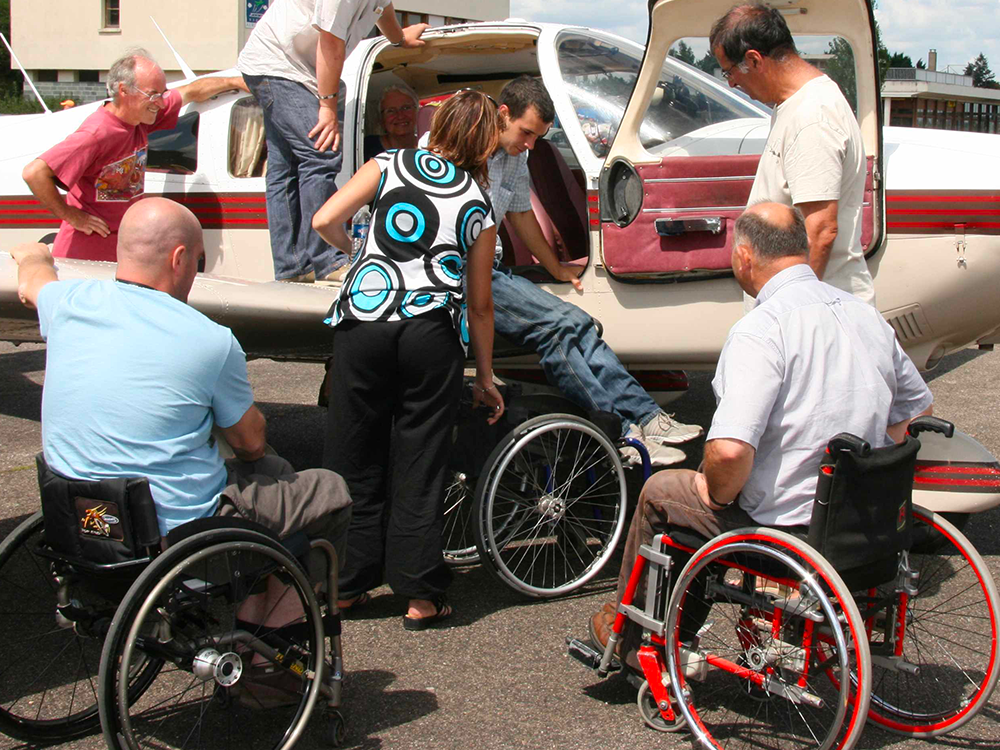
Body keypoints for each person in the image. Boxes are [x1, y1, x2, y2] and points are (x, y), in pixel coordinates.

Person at [589, 202, 932, 662]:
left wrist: (714, 492)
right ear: (802, 248)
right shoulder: (864, 315)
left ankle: (631, 639)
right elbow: (913, 408)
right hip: (860, 523)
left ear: (744, 257)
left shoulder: (761, 330)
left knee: (662, 491)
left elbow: (730, 453)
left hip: (786, 531)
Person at [11, 198, 352, 557]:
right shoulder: (211, 339)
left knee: (271, 469)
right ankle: (270, 608)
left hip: (81, 520)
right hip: (173, 534)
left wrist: (34, 254)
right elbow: (250, 443)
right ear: (179, 258)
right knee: (328, 489)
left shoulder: (68, 302)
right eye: (197, 259)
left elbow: (32, 282)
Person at [314, 90, 504, 630]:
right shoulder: (479, 203)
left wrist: (357, 257)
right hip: (430, 333)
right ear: (486, 143)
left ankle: (345, 585)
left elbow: (325, 219)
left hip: (364, 323)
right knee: (420, 461)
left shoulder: (387, 164)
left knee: (352, 451)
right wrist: (484, 375)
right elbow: (482, 303)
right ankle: (420, 593)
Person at [484, 76, 703, 464]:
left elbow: (519, 215)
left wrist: (556, 268)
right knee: (556, 329)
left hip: (494, 270)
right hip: (470, 274)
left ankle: (647, 416)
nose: (531, 145)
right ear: (503, 115)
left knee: (581, 323)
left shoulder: (515, 156)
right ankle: (620, 434)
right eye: (527, 133)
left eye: (538, 137)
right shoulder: (462, 153)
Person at [238, 0, 433, 283]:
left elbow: (383, 6)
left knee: (285, 168)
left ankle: (292, 268)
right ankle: (327, 261)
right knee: (321, 153)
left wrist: (399, 40)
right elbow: (331, 40)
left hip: (290, 68)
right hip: (282, 67)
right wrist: (326, 105)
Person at [710, 3, 875, 303]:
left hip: (815, 317)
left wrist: (790, 314)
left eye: (729, 72)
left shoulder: (812, 117)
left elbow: (820, 230)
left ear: (754, 60)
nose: (732, 83)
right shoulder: (796, 105)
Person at [22, 48, 247, 263]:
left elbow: (191, 91)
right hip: (85, 250)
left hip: (120, 246)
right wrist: (72, 216)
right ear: (123, 90)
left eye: (162, 94)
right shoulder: (97, 132)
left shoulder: (141, 117)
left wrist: (234, 82)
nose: (160, 102)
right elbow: (34, 173)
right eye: (152, 95)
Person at [364, 81, 420, 160]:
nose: (400, 116)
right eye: (390, 111)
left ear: (417, 111)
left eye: (406, 108)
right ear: (381, 118)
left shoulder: (427, 146)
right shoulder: (366, 147)